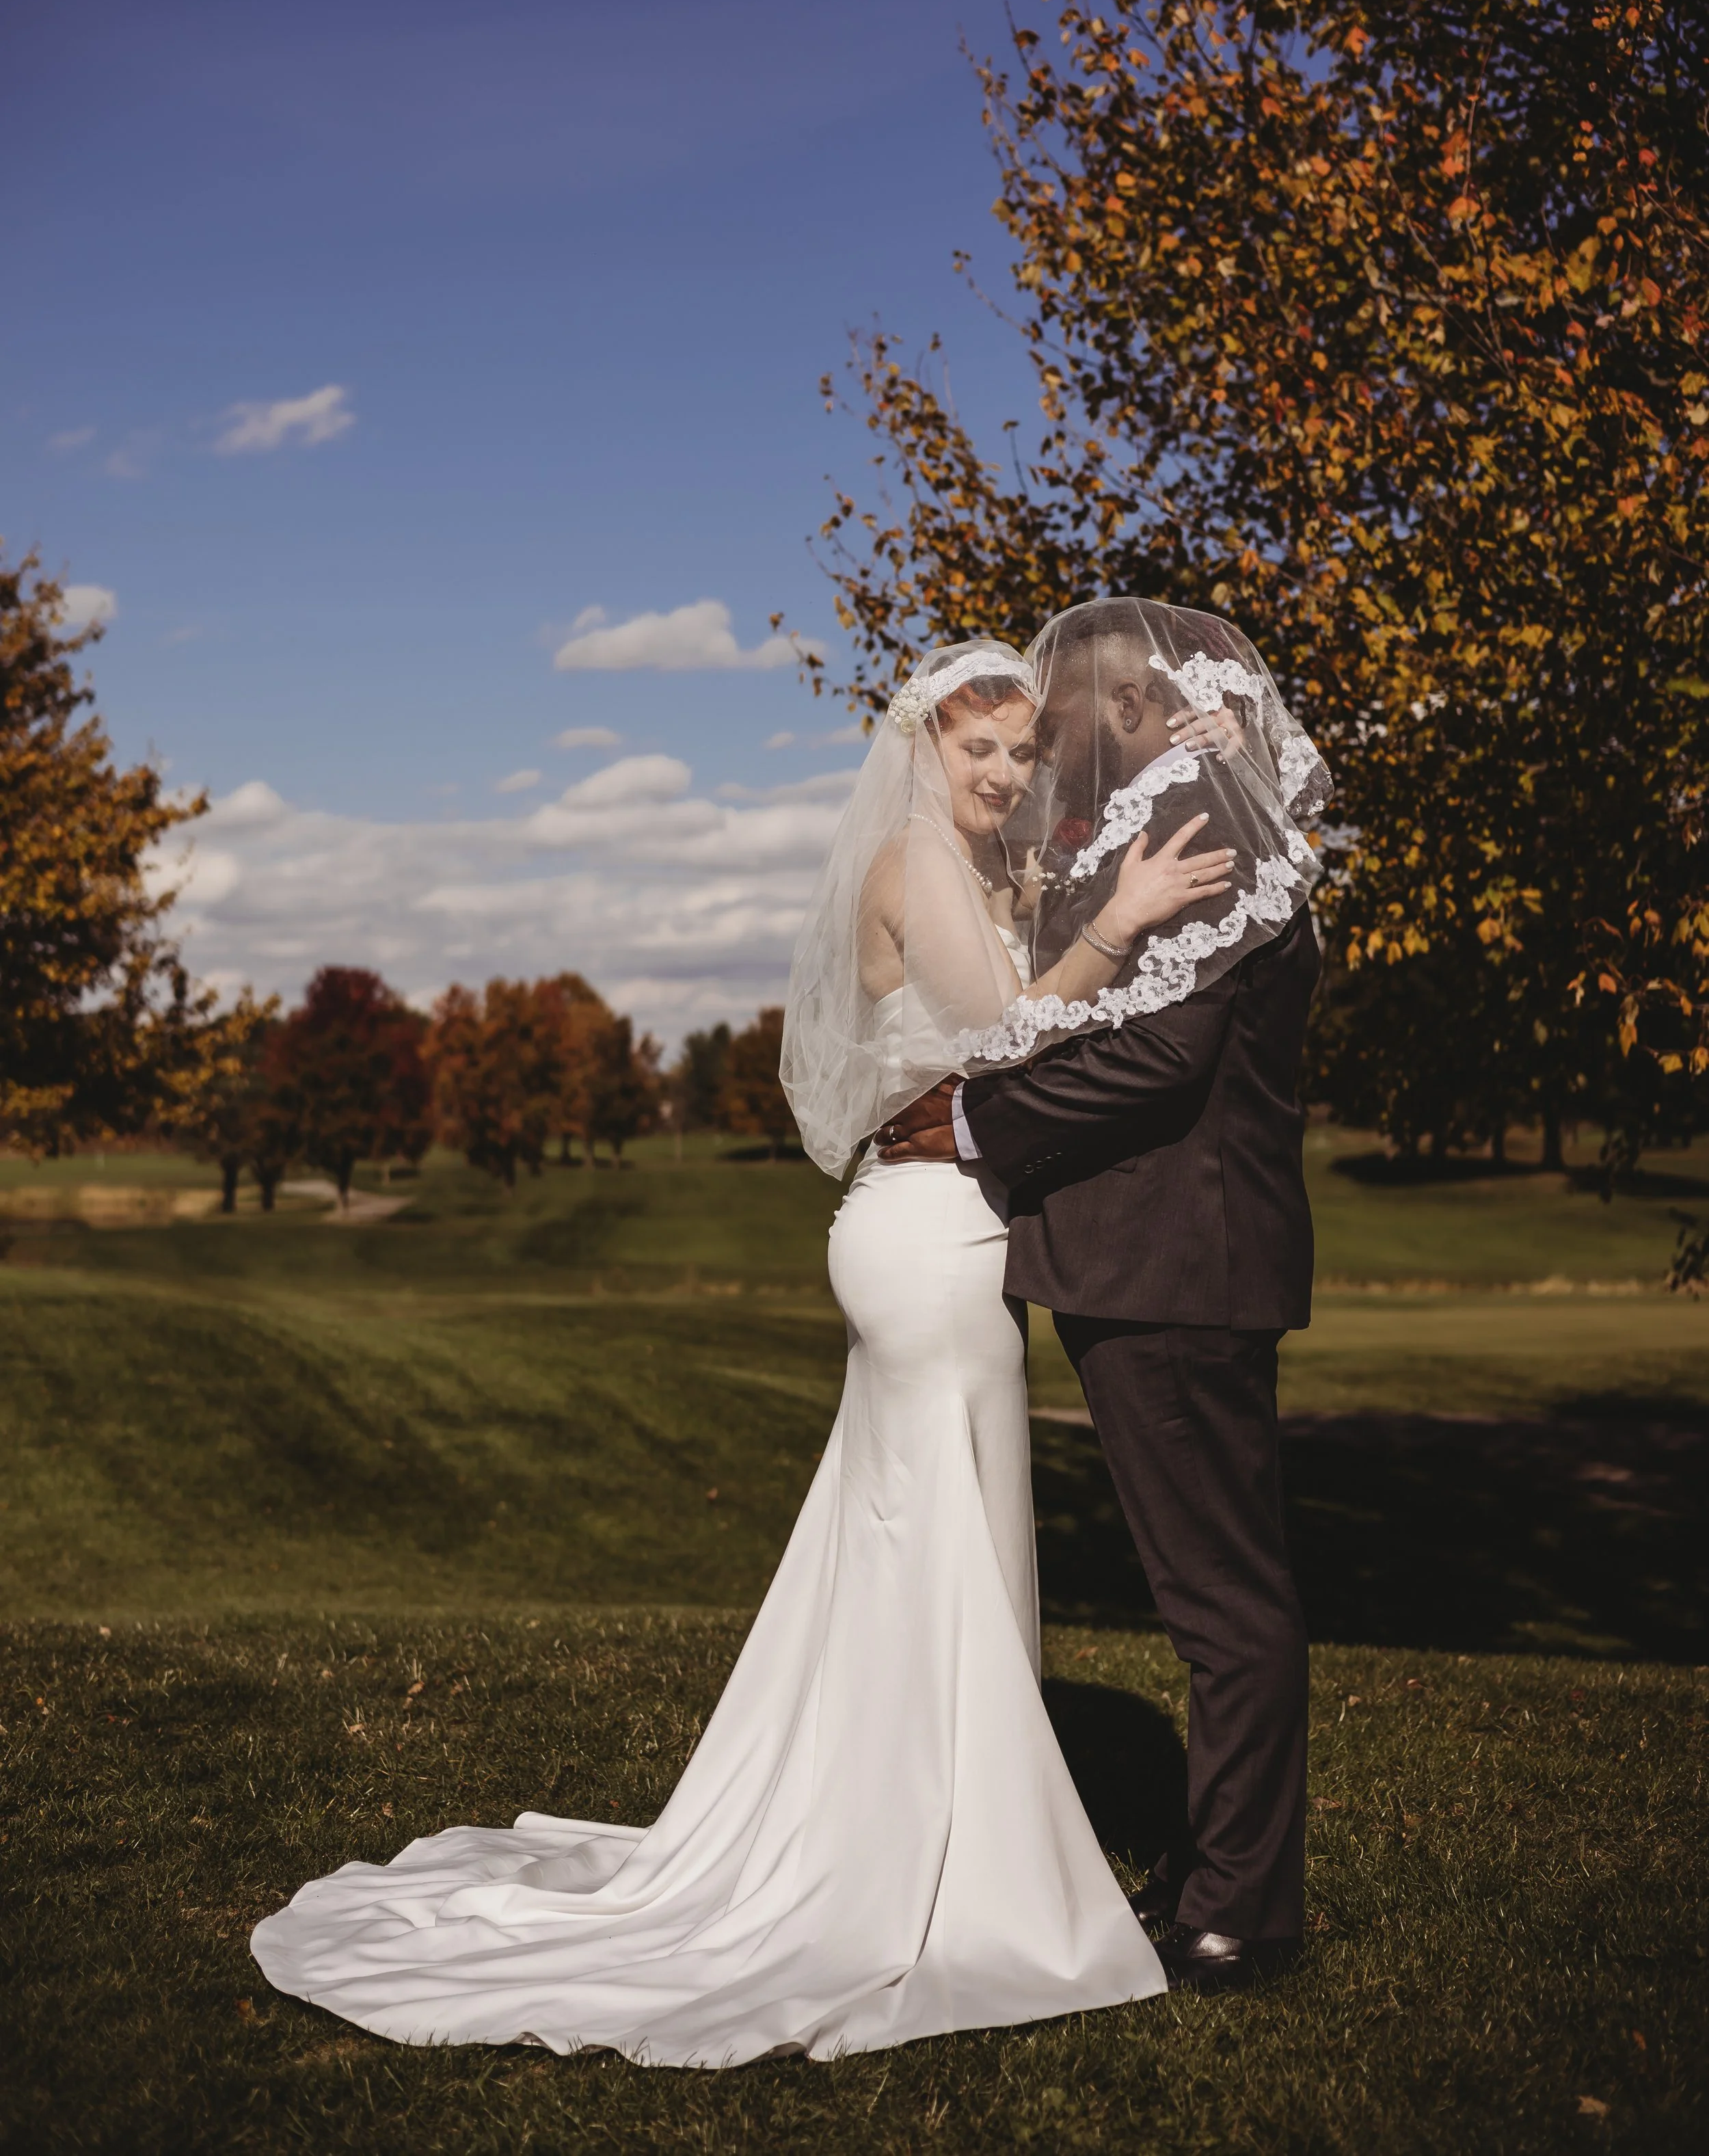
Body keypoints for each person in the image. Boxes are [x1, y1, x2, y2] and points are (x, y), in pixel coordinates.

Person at [250, 637, 1235, 2066]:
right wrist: (1124, 913)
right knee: (935, 1531)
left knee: (926, 1533)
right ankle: (939, 1867)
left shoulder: (981, 868)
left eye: (1022, 753)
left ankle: (933, 1832)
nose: (1008, 776)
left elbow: (1031, 946)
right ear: (920, 749)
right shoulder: (911, 864)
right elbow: (1012, 1030)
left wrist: (1135, 813)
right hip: (920, 1236)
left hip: (951, 1230)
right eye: (982, 752)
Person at [878, 596, 1332, 1993]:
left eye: (1066, 716)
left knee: (1219, 1600)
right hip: (1176, 1255)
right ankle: (1225, 1883)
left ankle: (1235, 1915)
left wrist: (968, 1125)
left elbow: (1160, 1060)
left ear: (1130, 700)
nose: (1048, 746)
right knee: (1220, 1588)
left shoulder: (1189, 818)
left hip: (1170, 1262)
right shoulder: (1221, 805)